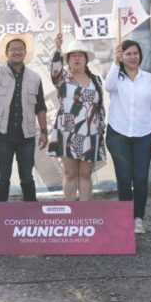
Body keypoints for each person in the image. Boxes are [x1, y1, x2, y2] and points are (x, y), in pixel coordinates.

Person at [0, 23, 47, 202]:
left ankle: (30, 215)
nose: (17, 52)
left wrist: (44, 131)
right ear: (6, 53)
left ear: (25, 52)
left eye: (20, 49)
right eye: (12, 49)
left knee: (27, 178)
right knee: (3, 177)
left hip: (27, 136)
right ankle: (0, 215)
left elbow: (40, 107)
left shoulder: (35, 78)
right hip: (3, 134)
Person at [105, 39, 151, 234]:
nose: (132, 57)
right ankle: (124, 217)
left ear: (140, 55)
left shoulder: (148, 78)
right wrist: (115, 62)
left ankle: (138, 218)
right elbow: (108, 87)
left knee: (140, 178)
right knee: (123, 178)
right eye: (128, 53)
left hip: (143, 134)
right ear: (122, 56)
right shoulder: (116, 77)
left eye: (135, 53)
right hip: (118, 134)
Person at [49, 33, 105, 200]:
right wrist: (58, 49)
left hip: (91, 132)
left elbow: (99, 106)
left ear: (86, 59)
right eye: (73, 55)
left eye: (80, 55)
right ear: (68, 60)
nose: (77, 58)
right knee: (70, 173)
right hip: (68, 132)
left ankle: (84, 214)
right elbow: (54, 70)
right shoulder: (62, 79)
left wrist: (101, 128)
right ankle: (70, 212)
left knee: (86, 175)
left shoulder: (96, 80)